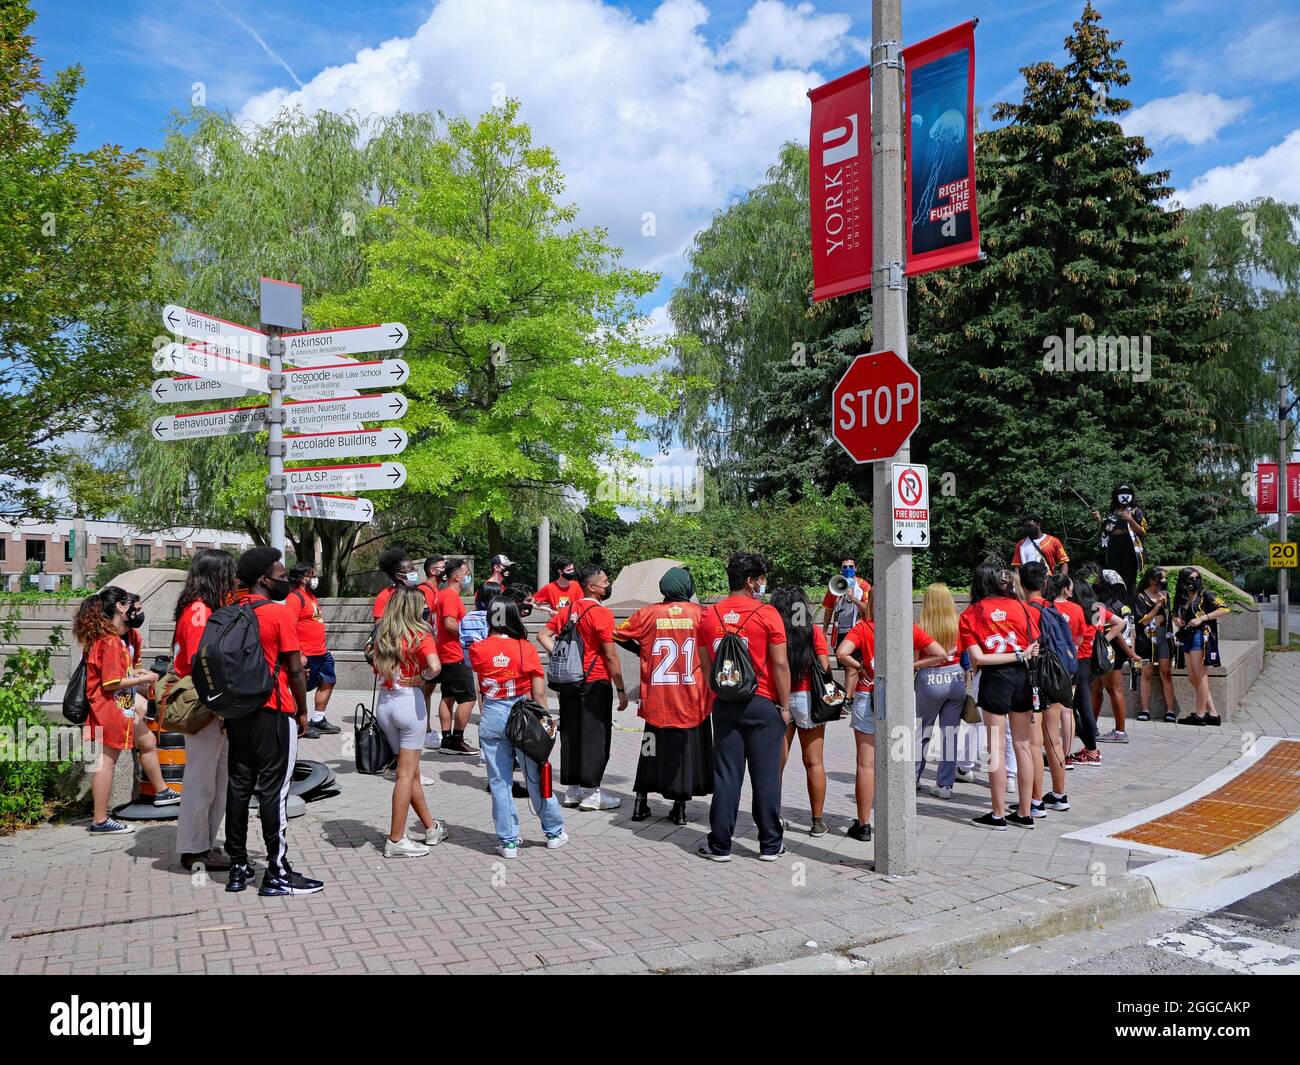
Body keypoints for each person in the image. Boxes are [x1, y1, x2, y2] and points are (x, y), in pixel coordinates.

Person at [223, 547, 323, 896]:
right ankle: (277, 871)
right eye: (281, 577)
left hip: (237, 713)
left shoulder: (230, 611)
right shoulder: (278, 615)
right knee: (274, 791)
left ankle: (237, 867)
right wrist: (303, 709)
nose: (286, 581)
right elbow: (295, 669)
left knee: (238, 786)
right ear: (264, 579)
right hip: (275, 708)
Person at [697, 553, 791, 861]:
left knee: (727, 776)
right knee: (766, 776)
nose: (764, 583)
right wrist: (785, 705)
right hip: (763, 703)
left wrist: (718, 694)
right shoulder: (768, 614)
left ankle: (720, 844)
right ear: (751, 581)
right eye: (762, 578)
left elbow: (707, 664)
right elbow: (779, 664)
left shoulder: (710, 616)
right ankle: (770, 844)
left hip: (725, 704)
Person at [470, 595, 568, 858]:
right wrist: (546, 719)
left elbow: (480, 686)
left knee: (499, 781)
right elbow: (538, 693)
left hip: (492, 713)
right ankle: (553, 832)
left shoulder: (478, 648)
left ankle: (509, 841)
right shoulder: (525, 648)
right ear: (514, 616)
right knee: (535, 776)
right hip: (522, 715)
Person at [74, 588, 176, 834]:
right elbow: (110, 682)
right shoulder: (110, 641)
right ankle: (100, 820)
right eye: (133, 605)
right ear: (120, 606)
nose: (136, 611)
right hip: (111, 709)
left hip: (119, 707)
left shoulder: (111, 639)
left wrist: (135, 674)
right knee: (106, 762)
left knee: (144, 742)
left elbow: (116, 675)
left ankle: (161, 792)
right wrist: (148, 677)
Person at [616, 567, 712, 826]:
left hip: (657, 699)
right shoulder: (701, 614)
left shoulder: (647, 613)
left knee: (650, 751)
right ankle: (679, 808)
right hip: (692, 698)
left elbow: (618, 633)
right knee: (685, 753)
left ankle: (640, 803)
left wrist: (642, 652)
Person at [538, 565, 628, 811]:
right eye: (605, 581)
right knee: (594, 736)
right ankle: (591, 793)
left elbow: (542, 635)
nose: (608, 585)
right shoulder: (601, 613)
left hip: (568, 683)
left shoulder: (568, 609)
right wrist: (620, 688)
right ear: (592, 586)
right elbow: (610, 655)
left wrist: (560, 657)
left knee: (571, 734)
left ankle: (572, 791)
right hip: (594, 681)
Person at [960, 562, 1040, 830]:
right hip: (1024, 677)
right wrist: (1021, 654)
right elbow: (1035, 645)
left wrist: (1014, 654)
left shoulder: (972, 613)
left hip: (996, 678)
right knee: (1023, 745)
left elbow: (979, 658)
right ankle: (1026, 811)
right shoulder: (1023, 607)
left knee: (996, 746)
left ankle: (997, 814)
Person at [369, 585, 447, 858]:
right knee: (405, 775)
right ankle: (396, 838)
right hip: (408, 703)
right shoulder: (420, 633)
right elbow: (435, 667)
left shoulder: (384, 633)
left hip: (385, 702)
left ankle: (431, 826)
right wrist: (421, 678)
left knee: (409, 772)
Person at [172, 549, 236, 870]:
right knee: (201, 781)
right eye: (228, 574)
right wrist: (222, 705)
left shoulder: (205, 607)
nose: (233, 580)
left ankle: (206, 843)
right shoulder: (199, 610)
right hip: (204, 705)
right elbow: (202, 661)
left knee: (217, 779)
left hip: (213, 705)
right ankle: (194, 848)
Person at [771, 587, 830, 834]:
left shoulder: (775, 630)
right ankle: (817, 822)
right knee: (814, 762)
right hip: (808, 699)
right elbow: (825, 667)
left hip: (779, 699)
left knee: (776, 764)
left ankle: (774, 816)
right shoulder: (813, 631)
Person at [1021, 563, 1070, 814]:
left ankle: (1036, 800)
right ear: (1044, 583)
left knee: (1033, 743)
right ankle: (1060, 795)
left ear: (1022, 583)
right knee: (1054, 739)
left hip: (1036, 679)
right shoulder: (1054, 609)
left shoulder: (1027, 611)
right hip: (1056, 676)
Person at [1061, 575, 1125, 766]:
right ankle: (1090, 749)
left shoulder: (1075, 611)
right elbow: (1120, 623)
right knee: (1081, 706)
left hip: (1077, 660)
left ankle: (1091, 750)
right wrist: (1105, 639)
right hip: (1091, 662)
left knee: (1077, 708)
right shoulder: (1097, 608)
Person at [913, 584, 966, 800]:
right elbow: (964, 653)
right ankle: (945, 785)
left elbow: (916, 659)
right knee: (950, 734)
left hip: (929, 677)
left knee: (921, 732)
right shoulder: (959, 623)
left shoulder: (921, 625)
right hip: (955, 678)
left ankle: (914, 777)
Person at [835, 587, 877, 841]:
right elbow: (937, 652)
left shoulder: (864, 628)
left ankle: (863, 824)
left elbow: (841, 653)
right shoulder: (906, 626)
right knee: (895, 761)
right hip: (897, 699)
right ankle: (894, 817)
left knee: (865, 764)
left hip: (867, 694)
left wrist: (860, 667)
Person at [1172, 567, 1230, 726]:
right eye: (1190, 578)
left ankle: (1199, 715)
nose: (1194, 581)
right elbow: (1175, 613)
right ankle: (1212, 713)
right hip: (1186, 636)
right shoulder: (1181, 597)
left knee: (1200, 675)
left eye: (1196, 578)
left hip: (1200, 636)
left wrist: (1202, 618)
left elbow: (1224, 608)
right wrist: (1176, 619)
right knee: (1192, 676)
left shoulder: (1205, 594)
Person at [433, 557, 479, 756]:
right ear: (457, 576)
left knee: (448, 696)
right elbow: (450, 623)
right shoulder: (450, 596)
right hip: (454, 653)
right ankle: (457, 739)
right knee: (468, 698)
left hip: (444, 652)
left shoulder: (441, 595)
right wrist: (469, 633)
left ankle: (446, 739)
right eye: (466, 573)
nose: (468, 576)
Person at [288, 564, 340, 738]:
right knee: (299, 688)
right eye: (313, 575)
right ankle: (298, 723)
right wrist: (299, 653)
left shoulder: (310, 596)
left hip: (321, 651)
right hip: (306, 653)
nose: (315, 579)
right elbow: (289, 626)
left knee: (329, 680)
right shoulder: (295, 598)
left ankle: (318, 719)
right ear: (302, 578)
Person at [1093, 569, 1143, 744]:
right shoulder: (1125, 604)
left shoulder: (1107, 605)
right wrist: (1131, 652)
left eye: (1099, 580)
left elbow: (1117, 632)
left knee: (1113, 690)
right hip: (1120, 652)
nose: (1096, 582)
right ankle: (1091, 726)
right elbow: (1133, 632)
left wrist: (1131, 654)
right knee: (1096, 689)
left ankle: (1120, 732)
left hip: (1110, 652)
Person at [1134, 566, 1178, 722]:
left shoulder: (1166, 595)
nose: (1164, 581)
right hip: (1146, 639)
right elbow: (1143, 620)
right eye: (1162, 578)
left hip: (1163, 637)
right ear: (1152, 580)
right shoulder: (1140, 597)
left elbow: (1169, 615)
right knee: (1146, 673)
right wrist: (1158, 605)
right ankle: (1145, 710)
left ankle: (1170, 710)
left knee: (1165, 672)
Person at [1091, 483, 1147, 595]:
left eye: (1127, 493)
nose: (1124, 495)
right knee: (1114, 577)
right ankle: (1117, 604)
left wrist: (1130, 519)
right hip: (1114, 546)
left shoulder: (1136, 511)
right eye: (1121, 493)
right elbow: (1107, 530)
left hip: (1129, 546)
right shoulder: (1113, 512)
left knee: (1129, 579)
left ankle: (1130, 606)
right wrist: (1099, 519)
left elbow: (1142, 532)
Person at [821, 556, 872, 648]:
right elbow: (829, 610)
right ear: (841, 570)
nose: (848, 569)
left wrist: (853, 599)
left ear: (856, 568)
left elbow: (868, 610)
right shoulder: (835, 585)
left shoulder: (864, 586)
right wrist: (824, 630)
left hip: (857, 631)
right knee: (840, 659)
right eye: (844, 567)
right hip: (839, 632)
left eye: (851, 567)